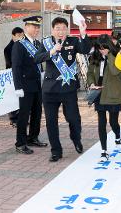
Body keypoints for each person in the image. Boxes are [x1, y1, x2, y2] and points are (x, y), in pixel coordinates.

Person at [35, 17, 91, 162]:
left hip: (68, 89)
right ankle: (56, 151)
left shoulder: (73, 41)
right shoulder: (46, 43)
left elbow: (85, 49)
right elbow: (36, 58)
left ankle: (76, 139)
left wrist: (83, 33)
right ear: (52, 30)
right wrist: (51, 52)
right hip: (50, 90)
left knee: (73, 118)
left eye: (63, 28)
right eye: (57, 28)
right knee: (51, 122)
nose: (60, 31)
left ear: (67, 29)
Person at [11, 16, 47, 155]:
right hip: (25, 86)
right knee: (24, 115)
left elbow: (39, 64)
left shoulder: (38, 44)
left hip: (37, 84)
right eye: (34, 26)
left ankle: (33, 137)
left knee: (37, 113)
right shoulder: (19, 45)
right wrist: (18, 87)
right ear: (26, 27)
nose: (37, 29)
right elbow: (16, 67)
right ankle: (20, 143)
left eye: (38, 27)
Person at [87, 35, 121, 161]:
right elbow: (90, 72)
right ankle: (104, 150)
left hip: (113, 92)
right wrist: (92, 83)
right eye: (100, 48)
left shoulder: (118, 55)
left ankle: (118, 136)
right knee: (101, 122)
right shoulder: (94, 57)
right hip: (100, 92)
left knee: (113, 122)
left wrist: (109, 55)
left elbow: (115, 71)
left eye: (104, 48)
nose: (102, 50)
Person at [4, 27, 24, 127]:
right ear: (13, 36)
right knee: (13, 98)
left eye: (22, 36)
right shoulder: (8, 48)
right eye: (18, 36)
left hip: (23, 76)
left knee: (22, 98)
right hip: (12, 76)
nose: (20, 38)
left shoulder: (24, 45)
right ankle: (14, 119)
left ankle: (22, 118)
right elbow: (10, 63)